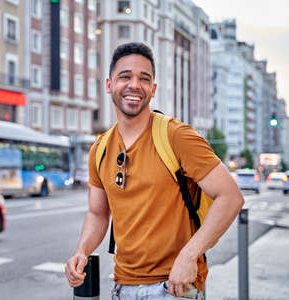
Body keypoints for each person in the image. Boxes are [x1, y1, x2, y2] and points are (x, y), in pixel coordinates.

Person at [65, 42, 244, 299]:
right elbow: (98, 213)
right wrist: (81, 251)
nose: (134, 85)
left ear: (153, 89)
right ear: (108, 84)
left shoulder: (176, 136)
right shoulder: (100, 148)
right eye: (125, 76)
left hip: (174, 287)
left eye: (144, 79)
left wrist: (189, 255)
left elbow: (230, 197)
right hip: (122, 286)